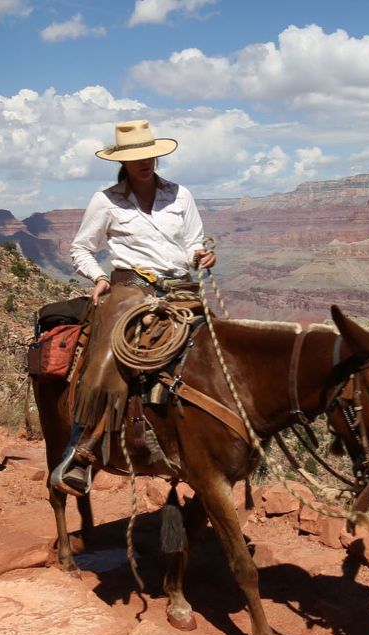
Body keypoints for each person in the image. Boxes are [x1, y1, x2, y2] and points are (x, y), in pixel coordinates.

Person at [53, 118, 216, 496]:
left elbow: (192, 243)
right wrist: (98, 277)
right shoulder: (107, 200)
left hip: (180, 288)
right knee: (110, 352)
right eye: (137, 157)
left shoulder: (180, 195)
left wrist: (202, 255)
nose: (146, 163)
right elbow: (81, 247)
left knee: (218, 350)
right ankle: (83, 448)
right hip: (131, 287)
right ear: (122, 162)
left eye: (151, 156)